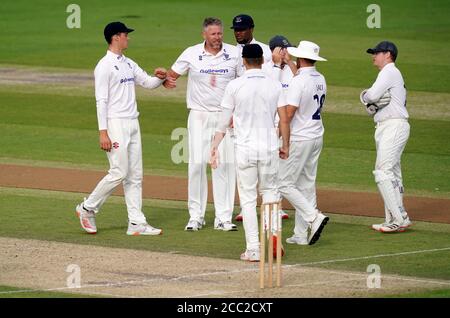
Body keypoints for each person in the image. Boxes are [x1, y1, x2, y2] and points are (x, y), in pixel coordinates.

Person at [75, 21, 173, 235]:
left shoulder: (128, 63)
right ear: (116, 37)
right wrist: (103, 132)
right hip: (115, 123)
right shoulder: (104, 66)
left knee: (135, 175)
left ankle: (136, 223)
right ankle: (86, 208)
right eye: (125, 35)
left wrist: (161, 77)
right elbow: (101, 100)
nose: (128, 38)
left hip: (132, 122)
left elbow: (147, 83)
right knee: (119, 172)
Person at [209, 44, 290, 261]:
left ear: (243, 61)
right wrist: (286, 145)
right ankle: (273, 235)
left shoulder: (235, 85)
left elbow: (224, 121)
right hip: (269, 148)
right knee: (271, 193)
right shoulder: (274, 85)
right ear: (263, 61)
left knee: (247, 199)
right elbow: (283, 119)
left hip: (244, 149)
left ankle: (253, 248)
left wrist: (215, 146)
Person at [166, 17, 239, 232]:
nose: (217, 38)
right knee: (196, 164)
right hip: (198, 115)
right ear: (204, 35)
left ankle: (223, 218)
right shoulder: (191, 53)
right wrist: (164, 77)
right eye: (213, 34)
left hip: (225, 116)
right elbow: (172, 76)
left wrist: (236, 113)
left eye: (220, 33)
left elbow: (243, 83)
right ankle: (195, 216)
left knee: (224, 165)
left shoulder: (234, 53)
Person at [279, 40, 330, 246]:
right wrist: (290, 64)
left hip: (300, 138)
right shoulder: (320, 77)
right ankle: (301, 234)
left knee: (283, 183)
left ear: (301, 58)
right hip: (316, 136)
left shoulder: (298, 81)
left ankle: (313, 216)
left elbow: (289, 113)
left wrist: (280, 136)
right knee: (306, 185)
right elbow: (302, 76)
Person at [360, 41, 412, 233]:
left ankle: (396, 219)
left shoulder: (389, 71)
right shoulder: (391, 73)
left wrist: (364, 96)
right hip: (390, 126)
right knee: (393, 174)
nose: (374, 56)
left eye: (377, 53)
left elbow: (372, 96)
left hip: (393, 126)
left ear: (388, 54)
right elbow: (374, 105)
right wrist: (371, 103)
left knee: (382, 172)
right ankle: (400, 217)